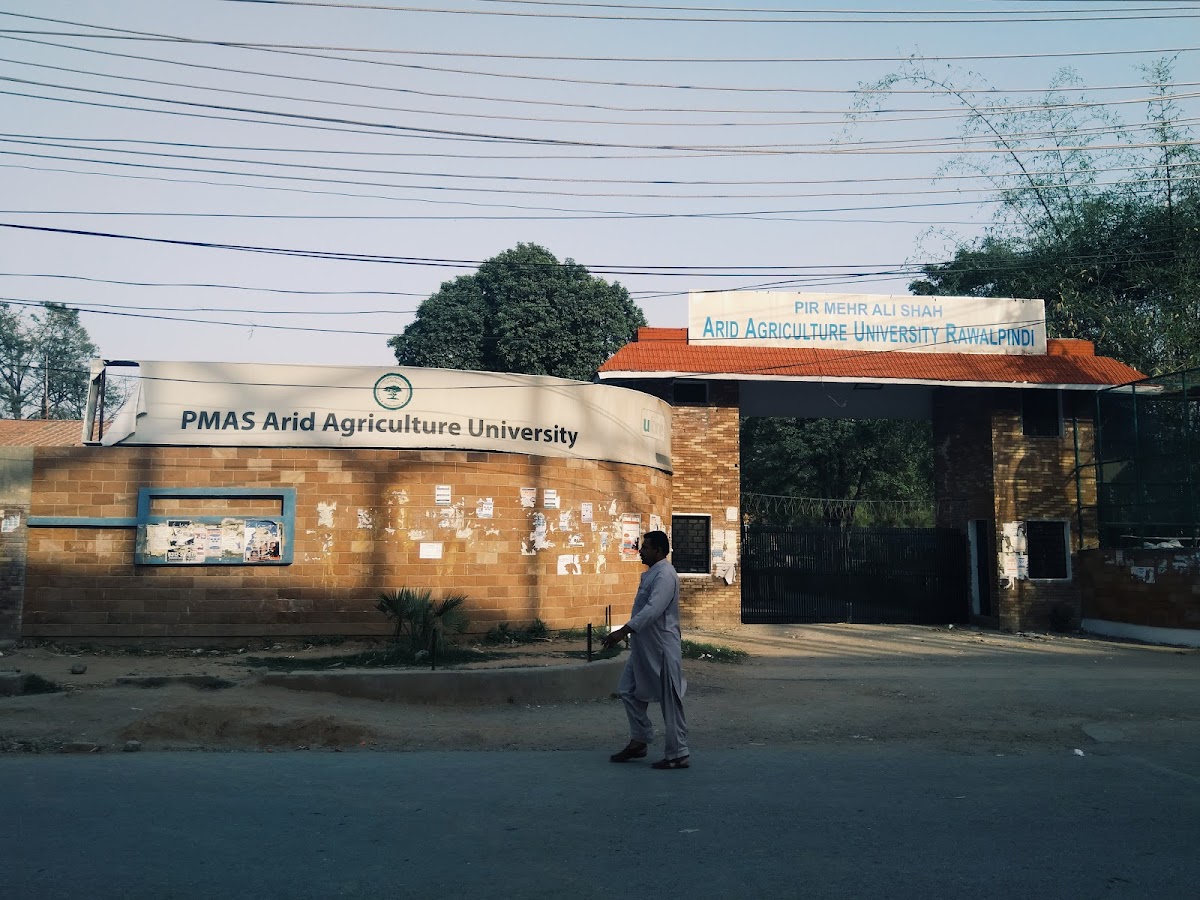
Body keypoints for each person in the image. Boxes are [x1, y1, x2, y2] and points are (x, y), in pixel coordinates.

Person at [602, 529, 689, 770]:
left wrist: (623, 631)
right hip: (643, 646)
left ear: (659, 551)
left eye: (646, 547)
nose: (641, 551)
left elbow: (653, 610)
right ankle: (639, 740)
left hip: (662, 647)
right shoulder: (653, 573)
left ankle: (679, 753)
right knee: (628, 690)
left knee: (669, 700)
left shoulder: (665, 575)